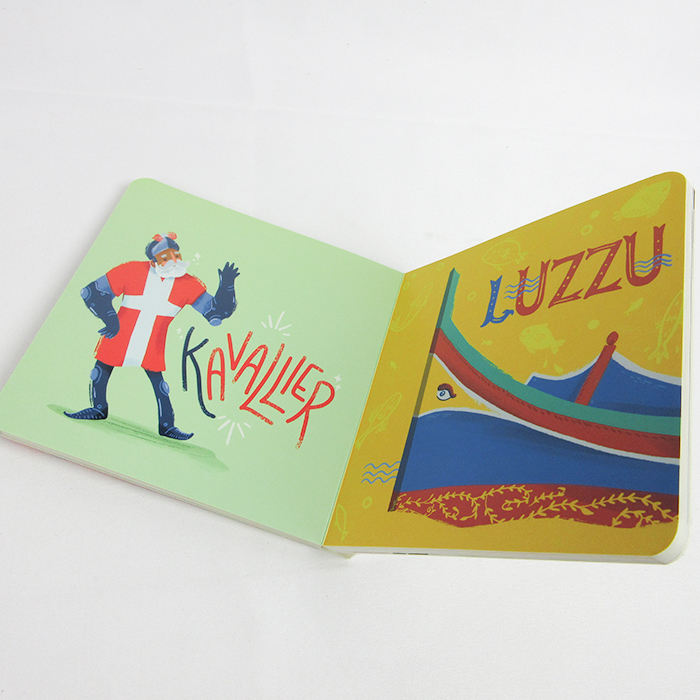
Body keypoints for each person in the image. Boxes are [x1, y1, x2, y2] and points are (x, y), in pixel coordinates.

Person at [64, 232, 239, 440]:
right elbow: (91, 292)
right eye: (165, 257)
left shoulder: (188, 284)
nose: (173, 261)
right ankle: (98, 408)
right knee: (100, 371)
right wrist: (110, 319)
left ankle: (167, 425)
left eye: (175, 255)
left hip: (152, 343)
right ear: (154, 260)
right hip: (120, 334)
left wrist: (227, 286)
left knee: (160, 385)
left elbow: (215, 314)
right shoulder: (131, 270)